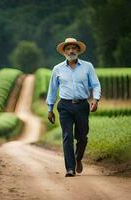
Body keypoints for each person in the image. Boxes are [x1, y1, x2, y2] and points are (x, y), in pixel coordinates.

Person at [46, 38, 101, 177]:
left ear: (78, 50)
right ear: (64, 52)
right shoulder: (57, 69)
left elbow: (95, 84)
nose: (71, 51)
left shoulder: (88, 66)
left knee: (82, 137)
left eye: (74, 48)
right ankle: (70, 168)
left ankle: (78, 158)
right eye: (68, 48)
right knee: (67, 136)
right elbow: (52, 89)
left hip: (82, 105)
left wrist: (95, 99)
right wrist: (50, 109)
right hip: (64, 106)